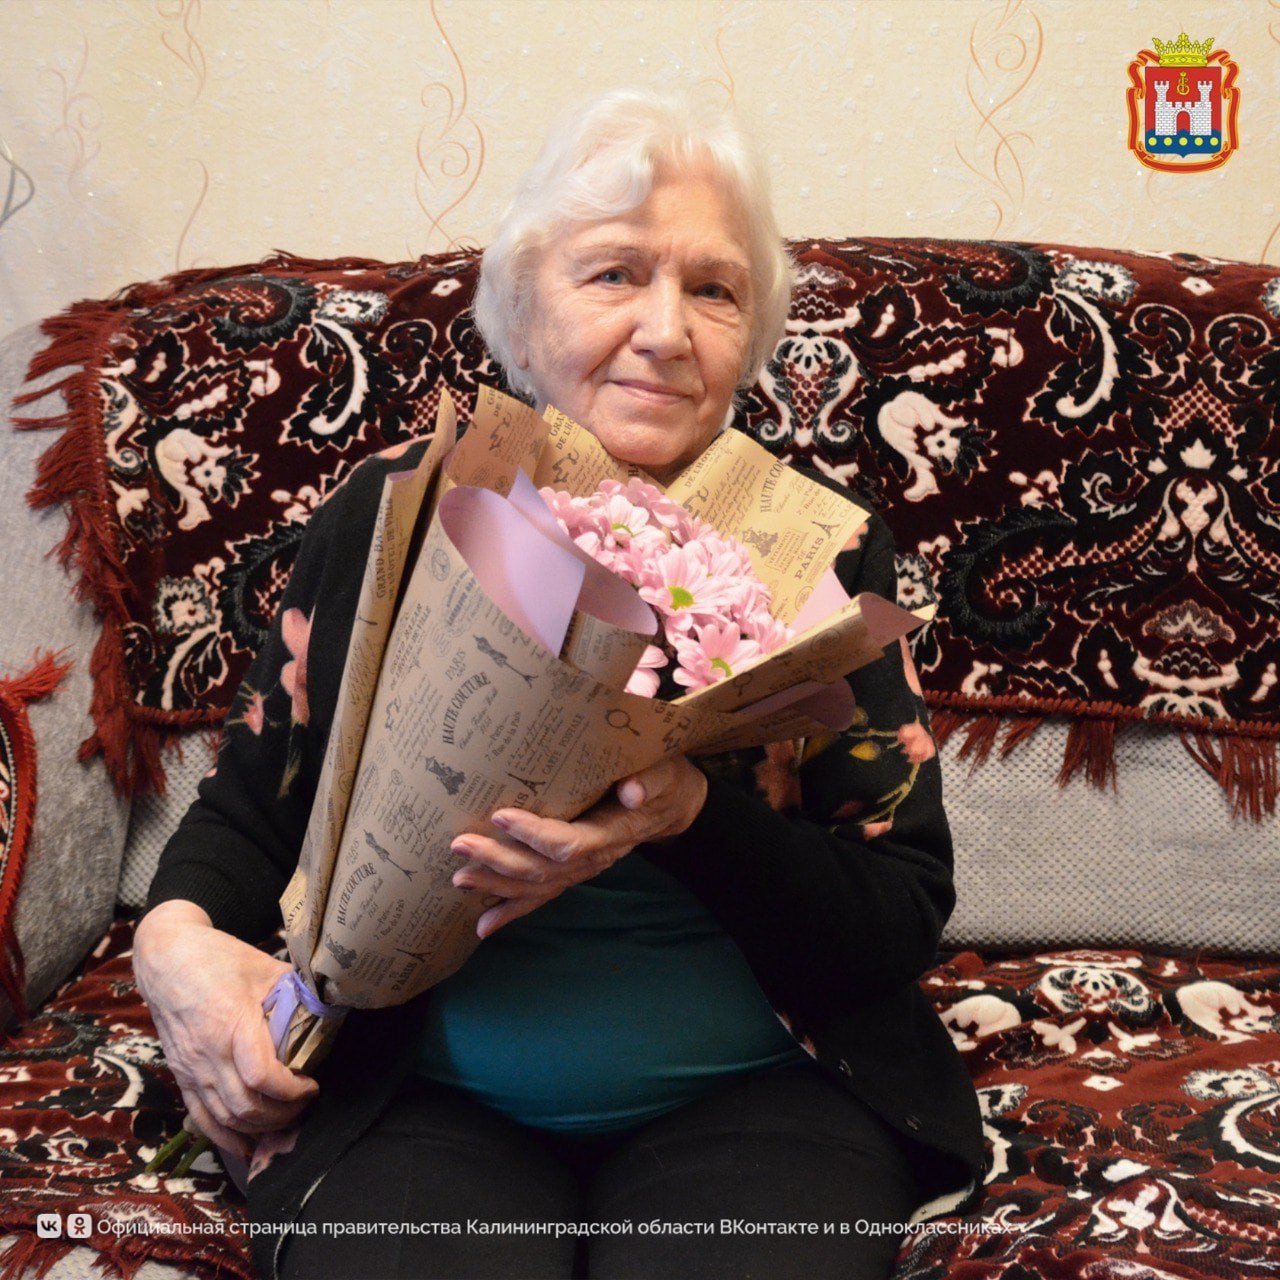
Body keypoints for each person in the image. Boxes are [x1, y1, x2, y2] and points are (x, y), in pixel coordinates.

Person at [134, 87, 985, 1280]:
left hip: (760, 1092)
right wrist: (168, 944)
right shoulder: (398, 514)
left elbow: (896, 910)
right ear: (522, 310)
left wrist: (687, 812)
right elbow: (249, 812)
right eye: (613, 274)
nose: (664, 330)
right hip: (411, 1095)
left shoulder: (818, 553)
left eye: (713, 288)